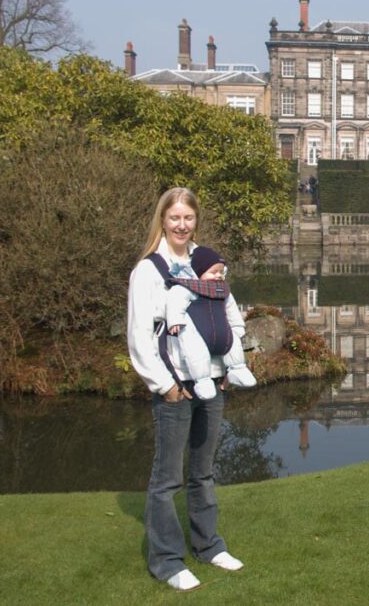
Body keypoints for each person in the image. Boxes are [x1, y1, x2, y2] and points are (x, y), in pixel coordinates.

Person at [127, 187, 245, 592]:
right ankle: (166, 560)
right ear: (162, 220)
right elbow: (140, 337)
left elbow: (229, 316)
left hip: (212, 385)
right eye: (174, 217)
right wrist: (165, 385)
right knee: (167, 480)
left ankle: (208, 546)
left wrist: (226, 365)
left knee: (204, 472)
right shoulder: (149, 271)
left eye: (188, 218)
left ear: (196, 220)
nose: (181, 225)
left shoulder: (207, 262)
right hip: (175, 387)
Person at [165, 245, 256, 400]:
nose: (218, 275)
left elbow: (232, 309)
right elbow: (175, 301)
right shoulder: (188, 288)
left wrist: (237, 326)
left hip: (223, 332)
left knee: (234, 345)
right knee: (196, 353)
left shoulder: (223, 291)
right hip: (197, 334)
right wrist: (175, 321)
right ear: (198, 272)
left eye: (221, 271)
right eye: (213, 272)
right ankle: (202, 381)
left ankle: (238, 369)